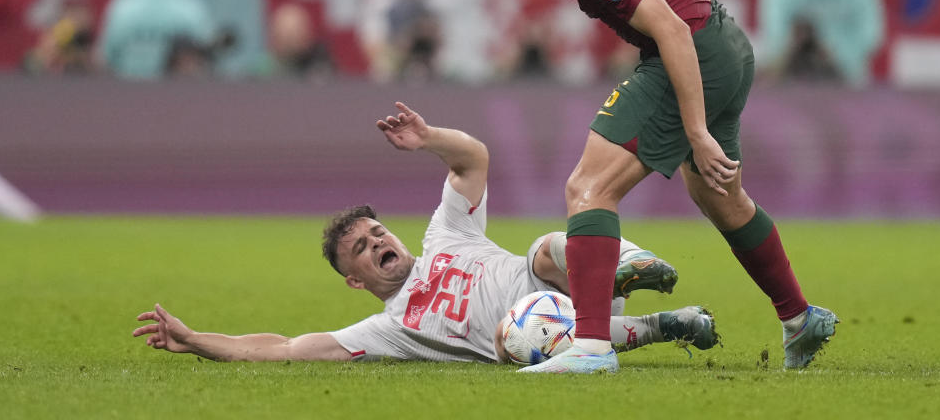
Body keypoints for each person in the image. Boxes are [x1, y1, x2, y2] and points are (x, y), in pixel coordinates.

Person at [460, 0, 838, 373]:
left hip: (692, 51)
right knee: (720, 197)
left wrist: (696, 130)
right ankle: (800, 317)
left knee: (588, 188)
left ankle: (591, 348)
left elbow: (672, 29)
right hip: (726, 45)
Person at [133, 102, 719, 364]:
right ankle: (669, 325)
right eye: (362, 250)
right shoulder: (390, 329)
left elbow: (474, 159)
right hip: (552, 331)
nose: (378, 244)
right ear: (356, 283)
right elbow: (287, 348)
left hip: (575, 276)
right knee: (526, 329)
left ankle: (629, 264)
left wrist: (429, 136)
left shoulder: (445, 230)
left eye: (377, 232)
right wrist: (201, 340)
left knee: (542, 248)